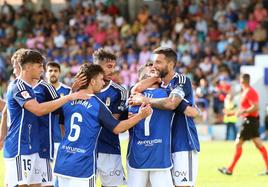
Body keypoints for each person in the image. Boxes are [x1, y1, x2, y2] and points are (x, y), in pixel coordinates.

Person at [54, 64, 152, 187]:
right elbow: (117, 128)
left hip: (62, 161)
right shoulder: (96, 104)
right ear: (92, 82)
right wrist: (141, 116)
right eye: (101, 79)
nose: (103, 82)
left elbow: (61, 125)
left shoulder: (68, 100)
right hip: (82, 165)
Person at [4, 49, 88, 187]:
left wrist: (71, 93)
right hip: (19, 147)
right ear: (29, 67)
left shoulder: (30, 88)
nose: (42, 70)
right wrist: (69, 96)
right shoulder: (18, 86)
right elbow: (38, 109)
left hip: (33, 146)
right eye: (39, 66)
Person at [129, 47, 200, 187]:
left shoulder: (180, 80)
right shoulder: (161, 87)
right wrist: (155, 77)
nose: (154, 66)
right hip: (164, 147)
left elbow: (172, 104)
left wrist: (145, 100)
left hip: (182, 144)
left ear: (171, 64)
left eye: (158, 62)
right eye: (153, 62)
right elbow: (135, 90)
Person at [127, 63, 175, 187]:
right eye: (153, 71)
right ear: (146, 77)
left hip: (138, 154)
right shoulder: (167, 93)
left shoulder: (134, 96)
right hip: (159, 154)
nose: (157, 73)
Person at [218, 73, 268, 175]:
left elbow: (255, 107)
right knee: (259, 145)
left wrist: (244, 112)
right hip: (251, 121)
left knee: (238, 143)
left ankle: (230, 169)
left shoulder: (250, 92)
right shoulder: (246, 92)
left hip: (249, 121)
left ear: (242, 81)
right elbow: (243, 109)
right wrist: (231, 113)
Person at [93, 48, 128, 187]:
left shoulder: (119, 91)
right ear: (97, 66)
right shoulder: (82, 89)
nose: (112, 70)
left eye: (113, 67)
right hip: (86, 148)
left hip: (109, 147)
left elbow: (113, 121)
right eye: (109, 66)